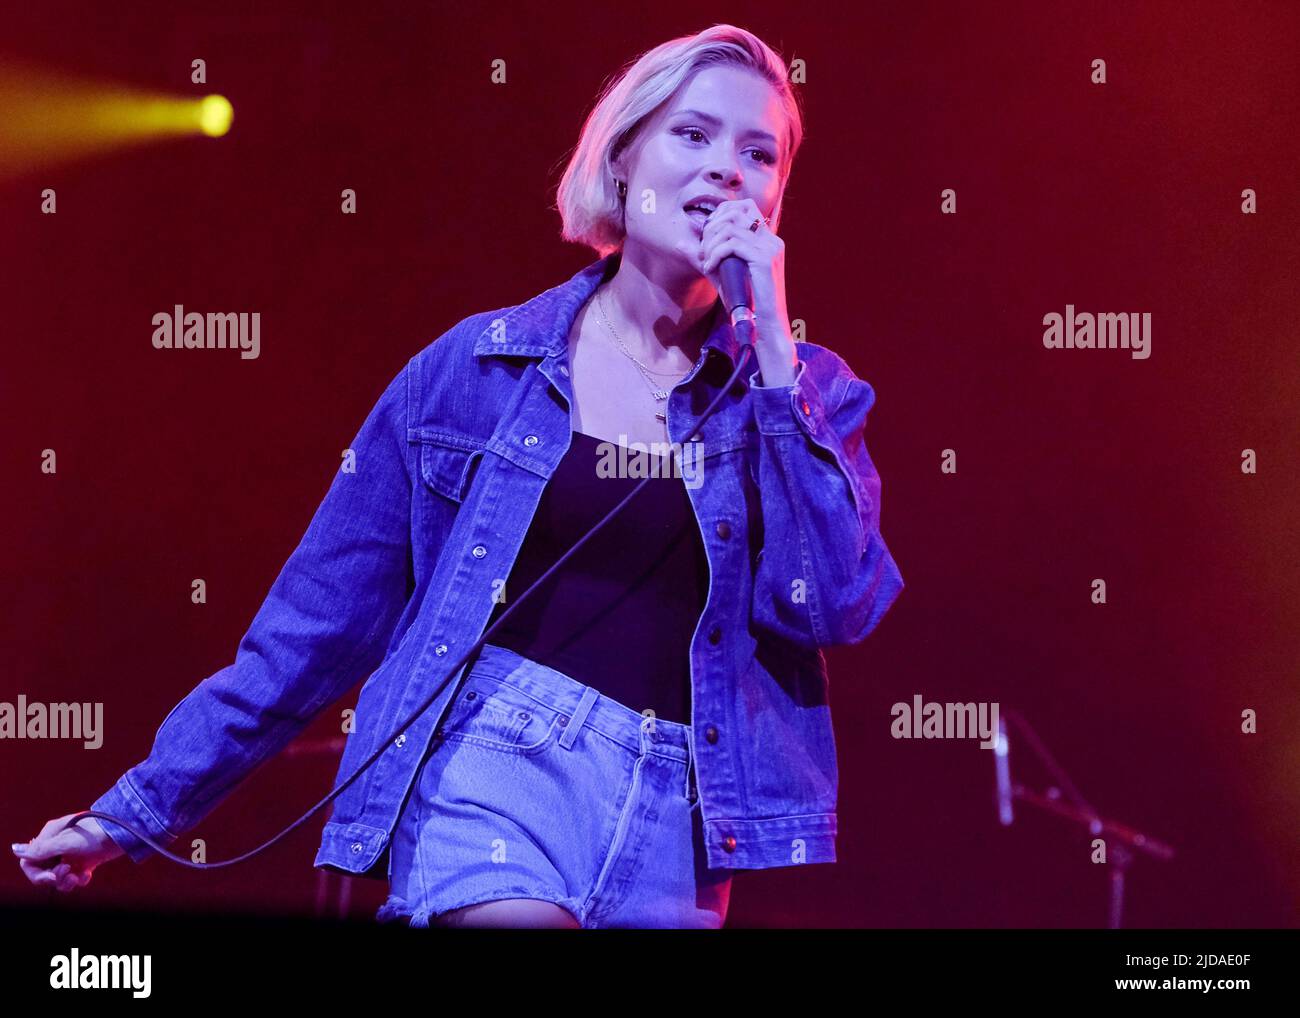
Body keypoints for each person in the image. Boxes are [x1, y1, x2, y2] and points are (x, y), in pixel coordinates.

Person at [13, 23, 904, 928]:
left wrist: (778, 364)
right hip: (497, 758)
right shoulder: (476, 371)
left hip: (681, 818)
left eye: (759, 154)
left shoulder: (809, 393)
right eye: (693, 135)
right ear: (624, 159)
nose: (726, 169)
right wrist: (136, 812)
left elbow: (836, 601)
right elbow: (313, 627)